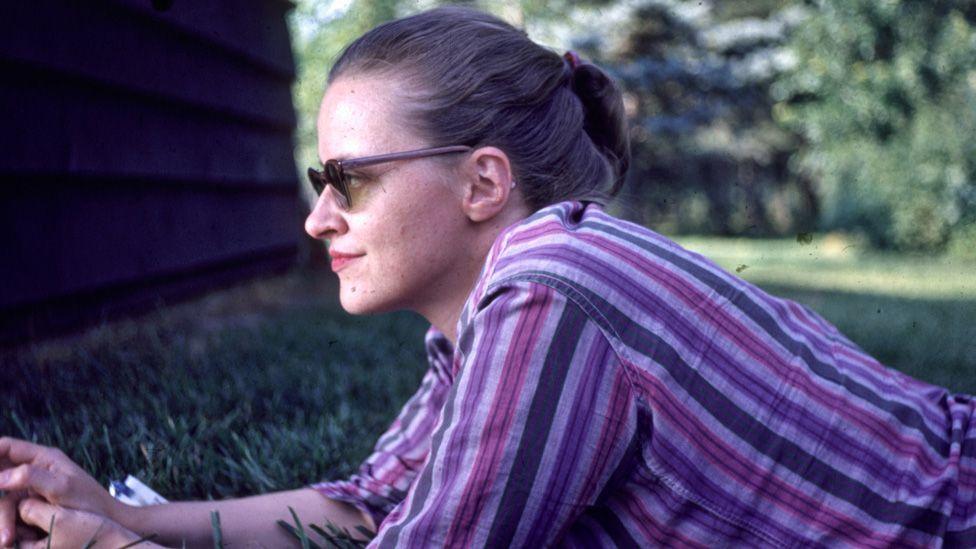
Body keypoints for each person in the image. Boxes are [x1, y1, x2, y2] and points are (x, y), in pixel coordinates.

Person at [2, 5, 974, 547]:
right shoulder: (486, 319)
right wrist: (120, 512)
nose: (316, 217)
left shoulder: (552, 286)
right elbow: (367, 507)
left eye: (350, 181)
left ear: (481, 181)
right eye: (317, 182)